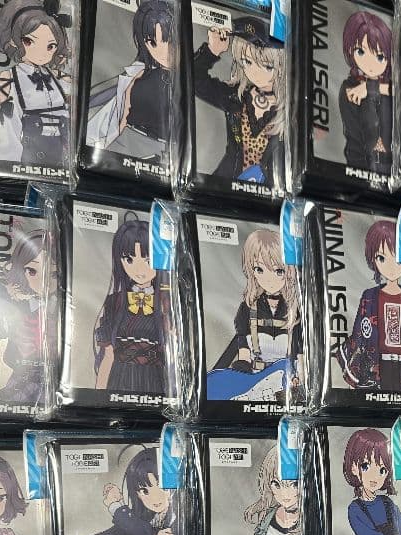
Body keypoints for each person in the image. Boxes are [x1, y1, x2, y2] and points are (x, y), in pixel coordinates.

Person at [208, 229, 302, 403]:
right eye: (260, 269)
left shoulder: (295, 310)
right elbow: (241, 348)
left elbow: (301, 352)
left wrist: (300, 377)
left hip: (287, 382)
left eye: (278, 271)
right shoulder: (248, 308)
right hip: (254, 382)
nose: (269, 279)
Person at [192, 16, 284, 183]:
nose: (255, 72)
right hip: (228, 186)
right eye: (247, 62)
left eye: (267, 65)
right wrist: (211, 51)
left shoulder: (291, 108)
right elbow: (193, 80)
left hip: (270, 192)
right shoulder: (236, 96)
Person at [337, 220, 401, 394]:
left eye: (398, 259)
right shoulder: (369, 296)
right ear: (373, 260)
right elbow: (360, 334)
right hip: (378, 365)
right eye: (382, 258)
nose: (391, 267)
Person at [85, 0, 173, 161]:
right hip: (126, 142)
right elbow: (116, 98)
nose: (163, 51)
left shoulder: (184, 81)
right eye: (153, 42)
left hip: (161, 149)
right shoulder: (139, 72)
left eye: (170, 41)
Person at [94, 216, 171, 395]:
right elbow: (108, 354)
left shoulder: (167, 303)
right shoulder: (114, 302)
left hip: (155, 379)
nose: (139, 269)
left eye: (148, 260)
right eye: (129, 259)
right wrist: (98, 397)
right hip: (120, 377)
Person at [0, 229, 50, 404]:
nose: (44, 281)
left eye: (52, 273)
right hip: (23, 379)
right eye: (32, 271)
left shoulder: (63, 303)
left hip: (57, 383)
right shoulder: (17, 303)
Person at [0, 0, 73, 166]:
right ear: (14, 40)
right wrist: (7, 168)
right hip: (29, 160)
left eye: (51, 46)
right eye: (30, 41)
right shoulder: (9, 78)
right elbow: (8, 128)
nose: (42, 53)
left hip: (64, 159)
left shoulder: (59, 78)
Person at [340, 10, 393, 174]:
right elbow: (355, 135)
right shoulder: (349, 88)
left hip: (394, 169)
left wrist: (371, 88)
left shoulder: (391, 87)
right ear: (351, 51)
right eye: (361, 52)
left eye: (380, 57)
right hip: (361, 168)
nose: (371, 64)